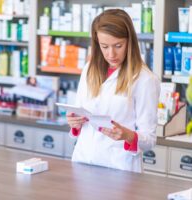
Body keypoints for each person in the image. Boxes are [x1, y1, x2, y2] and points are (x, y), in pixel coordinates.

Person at [66, 9, 160, 173]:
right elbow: (80, 114)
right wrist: (75, 123)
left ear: (129, 42)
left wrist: (127, 135)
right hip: (83, 161)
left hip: (119, 168)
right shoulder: (89, 70)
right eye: (105, 46)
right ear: (97, 44)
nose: (111, 54)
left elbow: (149, 139)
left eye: (118, 46)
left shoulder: (145, 79)